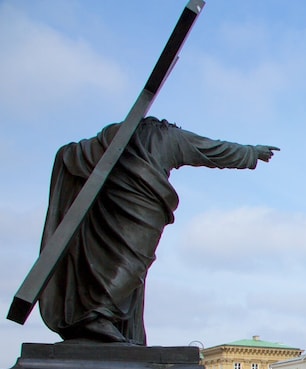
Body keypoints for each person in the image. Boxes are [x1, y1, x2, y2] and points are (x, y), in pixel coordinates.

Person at [37, 117, 277, 344]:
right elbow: (212, 150)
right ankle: (98, 314)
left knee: (113, 258)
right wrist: (251, 152)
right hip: (144, 204)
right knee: (131, 262)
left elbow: (77, 154)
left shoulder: (117, 133)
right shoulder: (167, 135)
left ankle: (100, 314)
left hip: (116, 202)